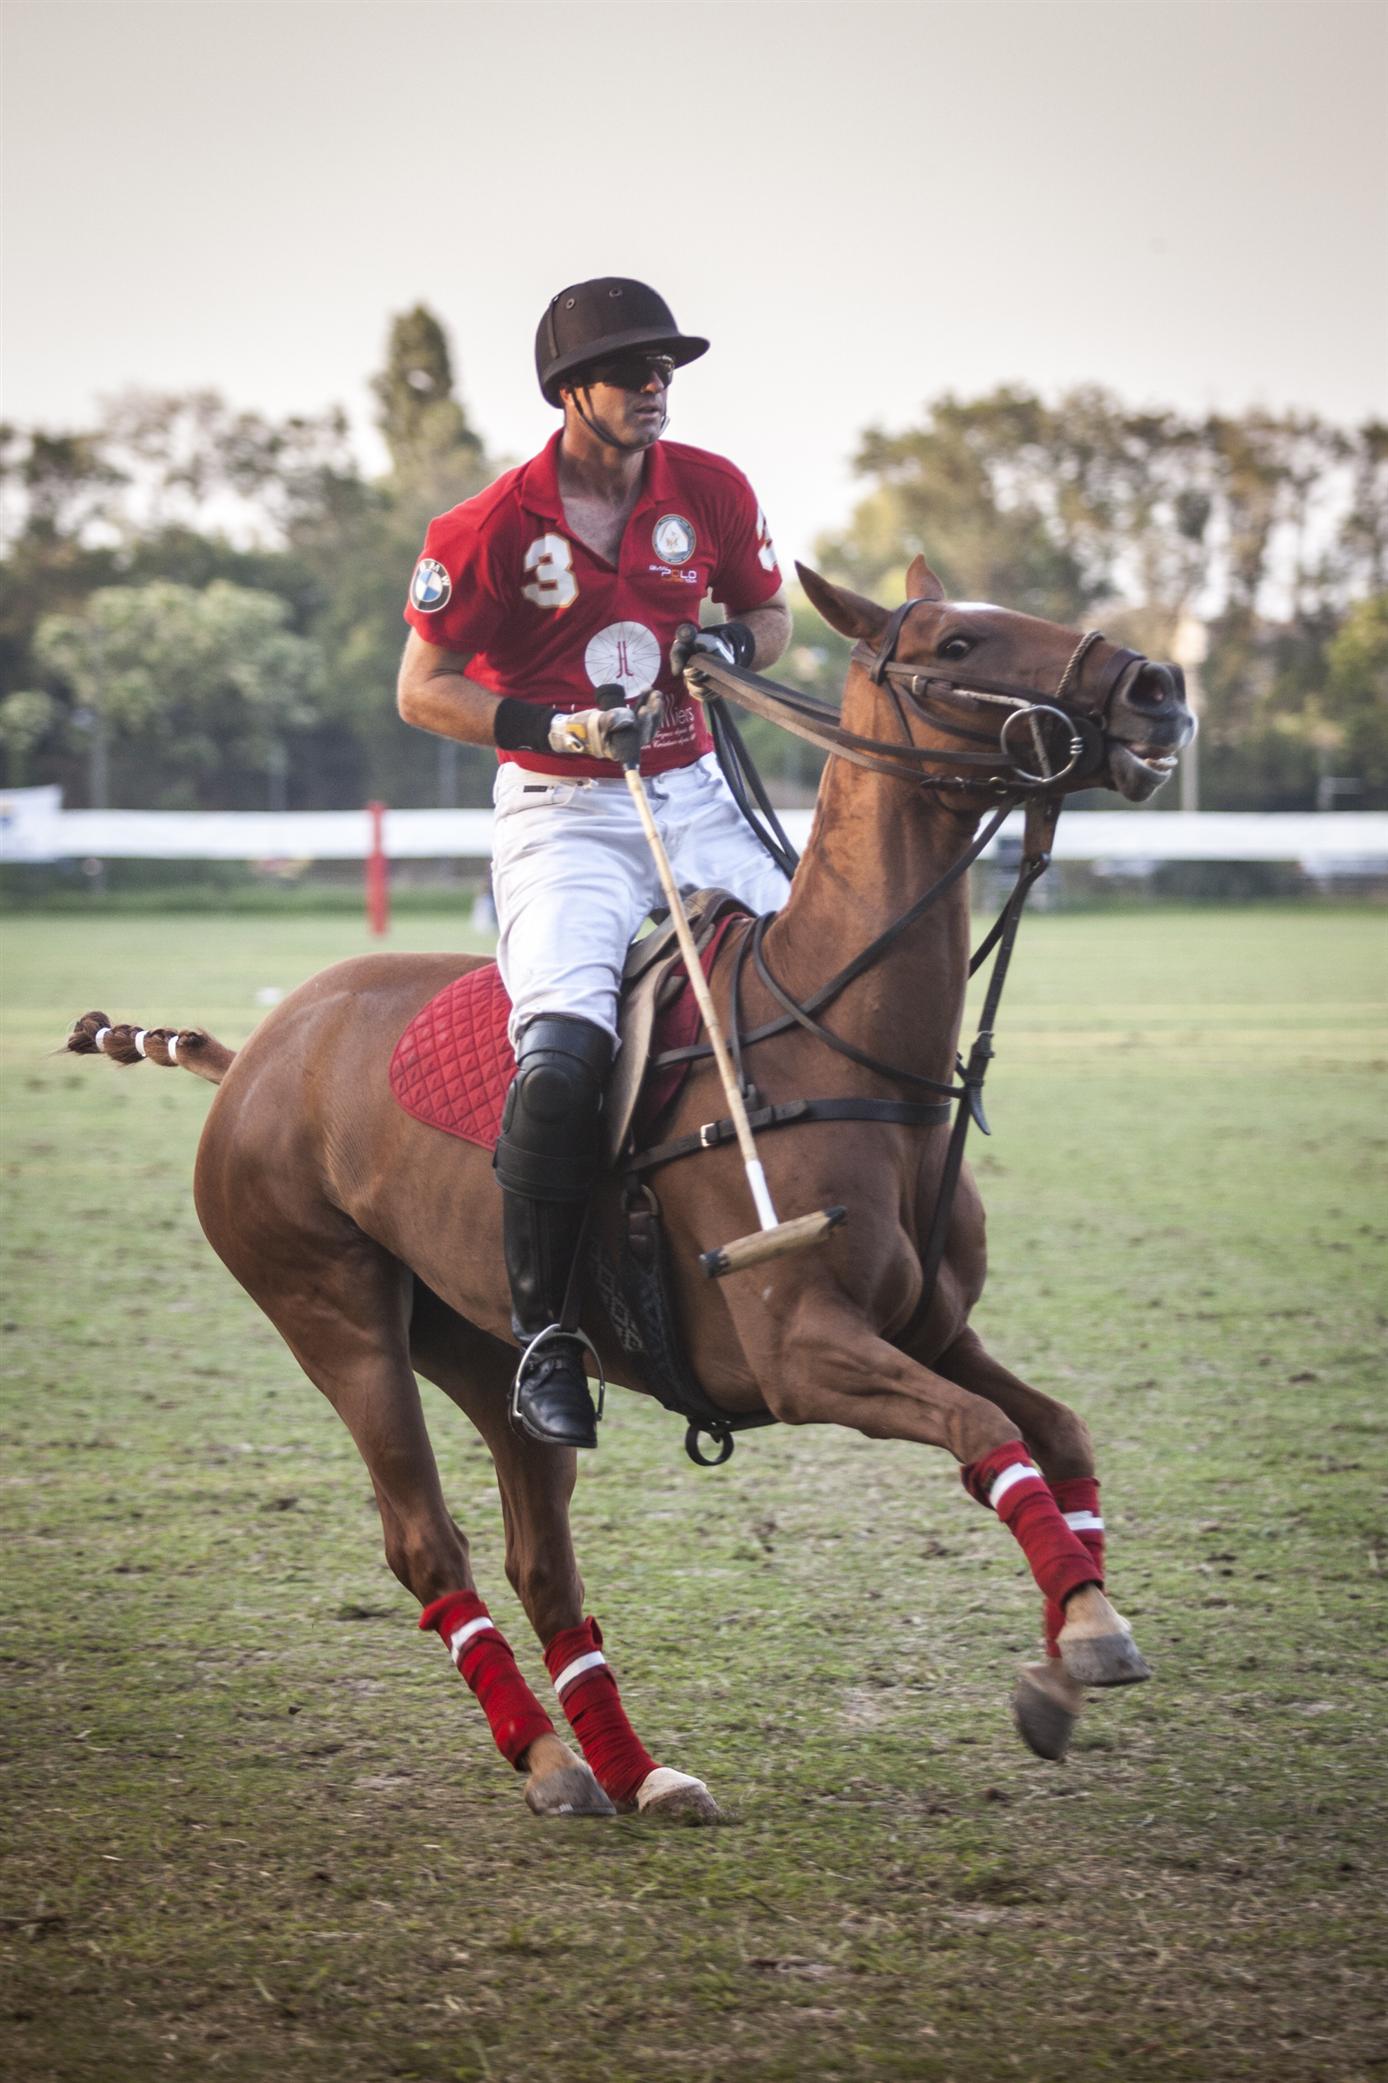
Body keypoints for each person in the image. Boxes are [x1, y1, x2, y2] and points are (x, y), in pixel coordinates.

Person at [398, 276, 792, 1451]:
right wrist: (555, 728)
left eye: (668, 367)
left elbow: (767, 616)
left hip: (693, 795)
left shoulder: (709, 490)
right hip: (565, 814)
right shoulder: (482, 529)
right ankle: (542, 1334)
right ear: (572, 391)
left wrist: (724, 643)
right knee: (565, 1054)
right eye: (633, 370)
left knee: (832, 973)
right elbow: (423, 690)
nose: (657, 386)